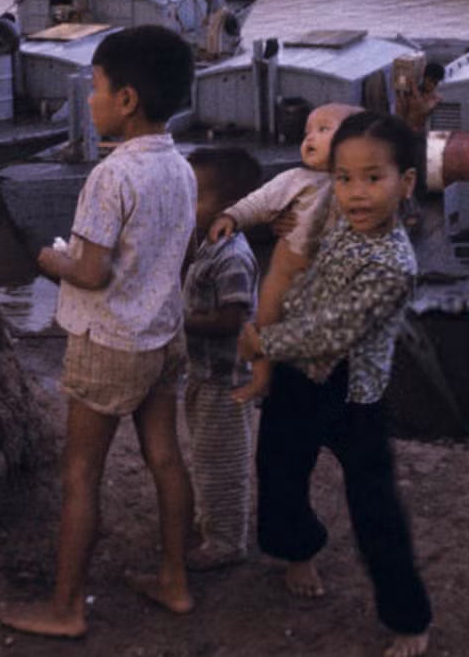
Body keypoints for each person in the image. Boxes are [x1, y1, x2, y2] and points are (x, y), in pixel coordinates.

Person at [0, 25, 197, 639]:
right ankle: (175, 581)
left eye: (97, 88)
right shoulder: (182, 168)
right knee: (165, 457)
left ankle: (65, 608)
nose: (89, 100)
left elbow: (89, 268)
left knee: (81, 474)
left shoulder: (110, 177)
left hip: (110, 343)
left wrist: (50, 260)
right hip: (163, 335)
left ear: (127, 100)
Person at [238, 111, 432, 657]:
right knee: (278, 465)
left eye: (375, 178)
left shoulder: (394, 264)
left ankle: (407, 616)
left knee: (374, 505)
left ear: (406, 183)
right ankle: (298, 549)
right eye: (344, 178)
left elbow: (333, 332)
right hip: (299, 374)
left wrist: (262, 344)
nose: (356, 192)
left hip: (352, 388)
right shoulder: (331, 208)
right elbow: (295, 257)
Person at [209, 102, 362, 404]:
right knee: (265, 321)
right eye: (307, 132)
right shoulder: (295, 180)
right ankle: (261, 378)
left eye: (323, 130)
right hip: (285, 273)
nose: (310, 138)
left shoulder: (358, 186)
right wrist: (232, 217)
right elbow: (259, 202)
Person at [182, 147, 262, 570]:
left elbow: (232, 318)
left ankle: (226, 541)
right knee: (204, 454)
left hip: (226, 379)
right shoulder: (208, 247)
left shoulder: (232, 256)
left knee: (223, 461)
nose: (185, 205)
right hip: (203, 374)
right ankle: (209, 521)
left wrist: (182, 323)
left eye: (195, 197)